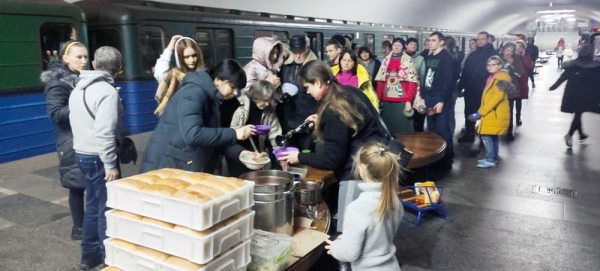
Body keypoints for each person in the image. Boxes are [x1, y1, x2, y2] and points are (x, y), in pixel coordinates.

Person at [277, 60, 387, 234]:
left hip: (357, 172)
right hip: (376, 160)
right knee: (370, 223)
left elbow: (331, 159)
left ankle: (347, 260)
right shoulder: (348, 92)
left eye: (307, 87)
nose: (307, 92)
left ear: (318, 82)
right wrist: (321, 120)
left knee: (349, 229)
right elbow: (351, 123)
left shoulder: (333, 110)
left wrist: (298, 157)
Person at [140, 59, 256, 173]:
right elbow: (192, 134)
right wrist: (234, 133)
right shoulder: (193, 93)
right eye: (232, 87)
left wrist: (241, 153)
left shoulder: (218, 99)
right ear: (218, 80)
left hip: (184, 162)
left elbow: (215, 137)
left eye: (238, 89)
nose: (236, 93)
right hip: (165, 164)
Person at [68, 46, 124, 271]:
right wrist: (110, 163)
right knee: (105, 208)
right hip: (99, 157)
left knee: (92, 206)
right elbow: (104, 132)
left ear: (94, 64)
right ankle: (107, 259)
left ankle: (88, 257)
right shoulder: (108, 92)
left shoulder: (79, 88)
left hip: (82, 153)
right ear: (118, 69)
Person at [325, 141, 402, 271]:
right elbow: (378, 236)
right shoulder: (395, 201)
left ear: (361, 170)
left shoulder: (357, 208)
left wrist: (335, 247)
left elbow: (349, 254)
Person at [40, 40, 88, 241]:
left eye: (86, 56)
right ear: (66, 58)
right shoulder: (57, 83)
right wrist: (83, 101)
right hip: (70, 140)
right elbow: (56, 115)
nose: (84, 61)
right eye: (79, 57)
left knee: (88, 182)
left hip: (84, 136)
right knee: (76, 185)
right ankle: (78, 228)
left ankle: (90, 224)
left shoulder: (83, 77)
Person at [229, 81, 285, 176]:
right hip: (238, 153)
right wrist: (243, 130)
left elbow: (275, 136)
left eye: (269, 100)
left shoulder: (269, 111)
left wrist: (281, 158)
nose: (267, 104)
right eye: (265, 100)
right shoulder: (240, 106)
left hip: (257, 155)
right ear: (255, 97)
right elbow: (231, 132)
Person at [550, 44, 600, 148]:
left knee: (578, 113)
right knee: (578, 113)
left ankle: (581, 134)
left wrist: (553, 87)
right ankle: (570, 134)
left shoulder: (572, 65)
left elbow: (563, 77)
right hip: (586, 95)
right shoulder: (595, 67)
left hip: (572, 94)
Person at [467, 56, 512, 168]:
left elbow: (497, 97)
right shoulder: (495, 76)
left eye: (493, 65)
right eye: (488, 65)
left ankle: (491, 159)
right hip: (494, 112)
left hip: (494, 112)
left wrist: (481, 112)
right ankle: (492, 157)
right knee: (492, 136)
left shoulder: (501, 78)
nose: (490, 67)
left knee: (486, 135)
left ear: (499, 66)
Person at [277, 35, 319, 151]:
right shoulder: (286, 66)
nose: (298, 56)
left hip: (306, 119)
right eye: (295, 52)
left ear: (306, 49)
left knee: (306, 153)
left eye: (301, 52)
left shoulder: (314, 67)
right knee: (289, 153)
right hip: (287, 119)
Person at [423, 32, 456, 169]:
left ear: (441, 42)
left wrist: (441, 101)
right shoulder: (429, 56)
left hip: (439, 98)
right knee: (432, 129)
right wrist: (423, 97)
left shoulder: (446, 58)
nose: (430, 42)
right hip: (429, 96)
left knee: (443, 128)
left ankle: (448, 158)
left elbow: (448, 81)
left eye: (434, 40)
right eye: (429, 40)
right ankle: (436, 157)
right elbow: (425, 77)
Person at [458, 31, 497, 143]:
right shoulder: (473, 54)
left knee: (485, 112)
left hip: (485, 90)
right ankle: (469, 134)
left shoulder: (492, 55)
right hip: (470, 90)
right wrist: (460, 86)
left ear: (488, 39)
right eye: (478, 39)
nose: (480, 41)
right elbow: (465, 72)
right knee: (469, 112)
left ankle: (485, 136)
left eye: (482, 39)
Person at [374, 38, 419, 134]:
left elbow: (412, 82)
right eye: (395, 45)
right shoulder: (386, 60)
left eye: (399, 45)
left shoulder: (409, 60)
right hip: (386, 100)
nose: (396, 47)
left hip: (402, 100)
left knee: (403, 128)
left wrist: (408, 101)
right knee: (388, 127)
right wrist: (378, 98)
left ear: (403, 47)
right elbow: (381, 80)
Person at [153, 35, 204, 116]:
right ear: (180, 58)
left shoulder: (203, 75)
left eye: (194, 55)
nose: (192, 60)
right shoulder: (173, 77)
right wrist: (171, 45)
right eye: (186, 57)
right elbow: (160, 68)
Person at [500, 42, 525, 141]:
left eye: (511, 51)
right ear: (503, 50)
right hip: (499, 88)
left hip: (510, 88)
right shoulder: (498, 58)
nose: (509, 53)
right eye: (507, 50)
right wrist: (507, 65)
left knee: (509, 110)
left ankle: (509, 131)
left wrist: (512, 65)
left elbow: (520, 73)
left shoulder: (516, 59)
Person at [405, 37, 427, 132]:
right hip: (404, 90)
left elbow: (422, 74)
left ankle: (418, 133)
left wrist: (421, 90)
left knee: (418, 113)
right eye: (411, 44)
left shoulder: (420, 58)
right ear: (406, 45)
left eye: (415, 45)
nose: (413, 46)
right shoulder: (401, 57)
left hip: (417, 90)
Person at [445, 36, 462, 137]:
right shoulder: (456, 56)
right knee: (451, 113)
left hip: (447, 90)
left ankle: (445, 136)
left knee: (445, 114)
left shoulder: (445, 57)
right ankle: (450, 134)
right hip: (454, 89)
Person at [515, 40, 532, 125]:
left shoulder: (526, 56)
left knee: (519, 100)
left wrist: (521, 56)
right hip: (513, 80)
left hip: (522, 80)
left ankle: (518, 118)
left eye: (520, 47)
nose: (518, 48)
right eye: (517, 46)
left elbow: (528, 66)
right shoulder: (512, 55)